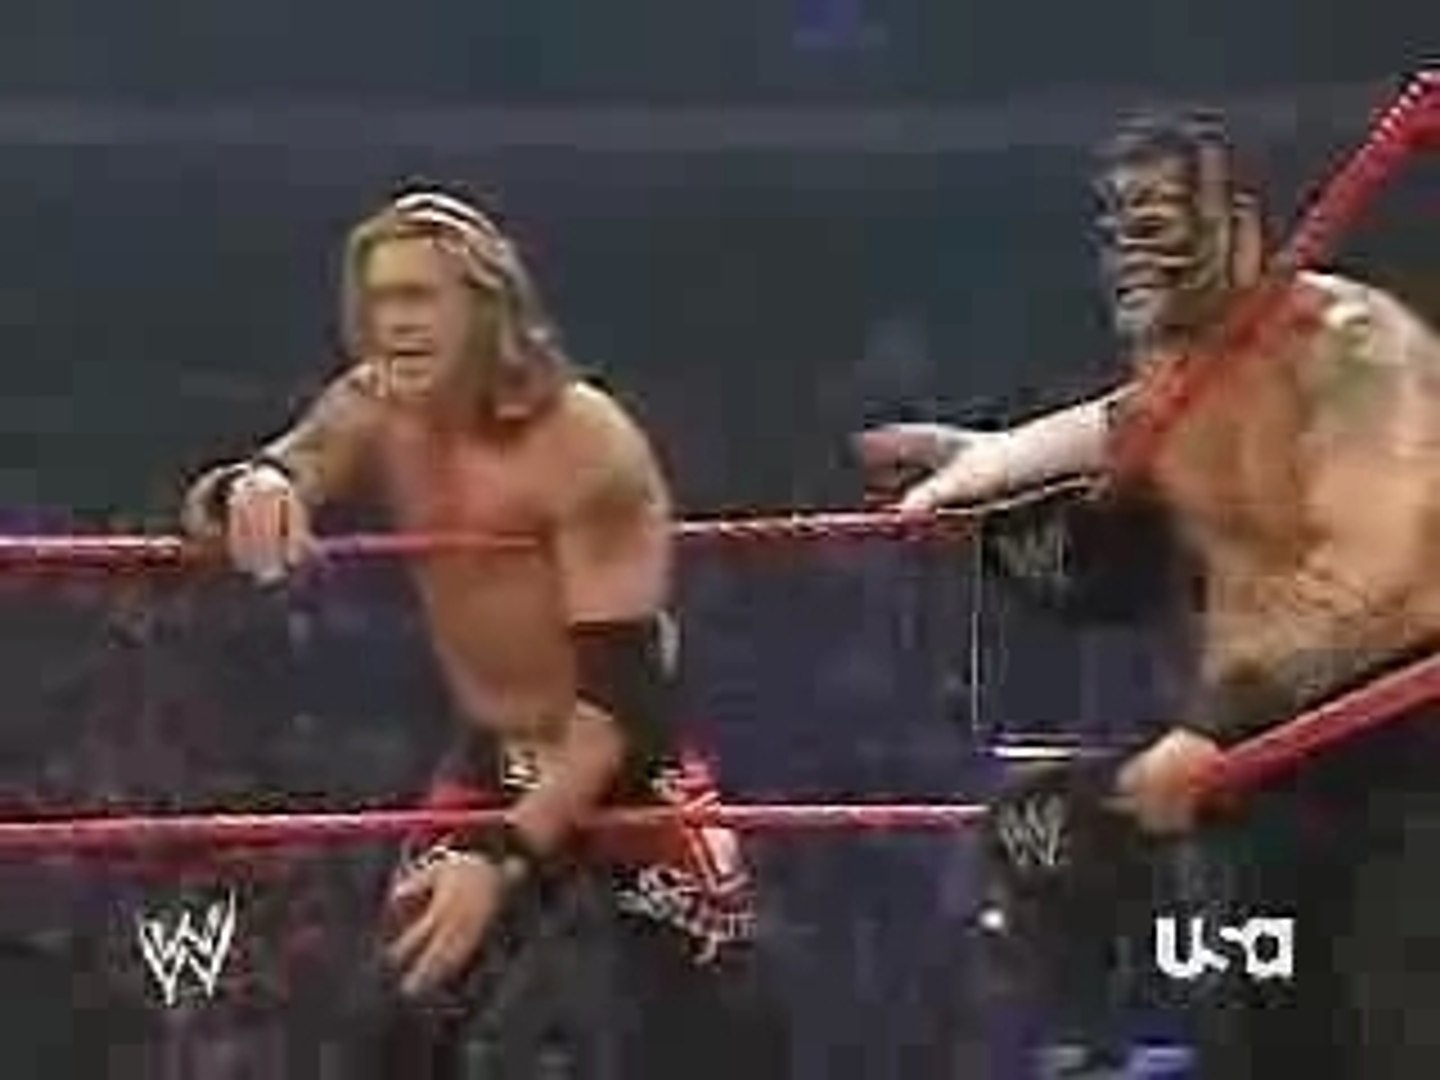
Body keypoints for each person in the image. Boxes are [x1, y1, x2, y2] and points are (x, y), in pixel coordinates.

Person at [861, 110, 1440, 1078]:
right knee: (1052, 837)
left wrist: (1211, 729)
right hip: (1263, 772)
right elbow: (1116, 423)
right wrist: (987, 460)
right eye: (1115, 229)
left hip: (1399, 757)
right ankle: (1087, 1047)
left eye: (1158, 224)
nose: (1131, 254)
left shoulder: (1355, 351)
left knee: (1388, 1037)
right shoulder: (1188, 372)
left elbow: (1381, 583)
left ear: (1241, 226)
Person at [180, 189, 784, 1078]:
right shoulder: (374, 404)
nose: (395, 322)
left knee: (726, 1034)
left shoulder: (585, 440)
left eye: (419, 297)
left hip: (622, 758)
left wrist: (499, 856)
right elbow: (255, 482)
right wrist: (253, 485)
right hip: (495, 753)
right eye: (379, 300)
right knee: (396, 1022)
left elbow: (622, 696)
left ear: (487, 306)